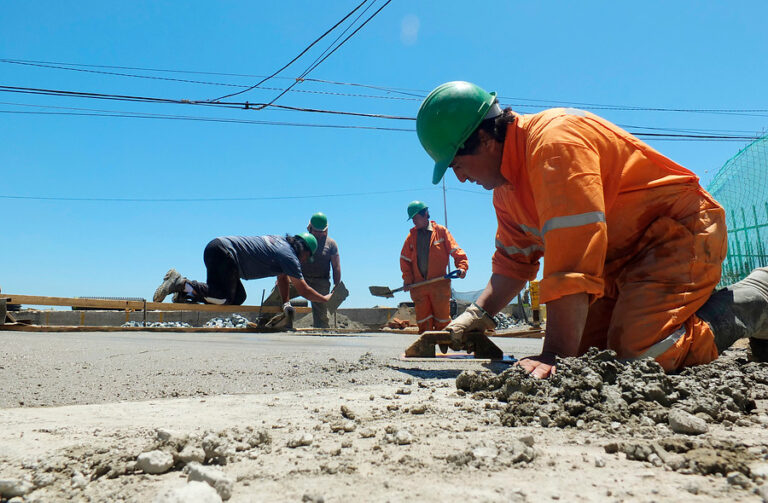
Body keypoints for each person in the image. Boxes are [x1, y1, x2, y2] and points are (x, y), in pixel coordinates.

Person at [415, 80, 768, 378]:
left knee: (640, 353)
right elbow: (513, 264)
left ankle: (756, 299)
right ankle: (670, 309)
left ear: (484, 140)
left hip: (676, 233)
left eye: (457, 164)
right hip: (617, 262)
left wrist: (553, 354)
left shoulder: (554, 144)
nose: (460, 176)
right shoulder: (507, 192)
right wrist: (477, 316)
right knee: (592, 357)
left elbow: (574, 257)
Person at [153, 233, 331, 321]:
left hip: (218, 249)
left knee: (238, 297)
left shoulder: (281, 244)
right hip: (224, 254)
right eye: (307, 257)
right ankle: (181, 283)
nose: (305, 260)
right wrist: (324, 299)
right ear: (304, 250)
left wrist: (286, 303)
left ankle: (187, 294)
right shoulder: (290, 256)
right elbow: (303, 289)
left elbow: (282, 278)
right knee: (224, 298)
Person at [400, 200, 468, 333]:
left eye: (416, 218)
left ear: (425, 214)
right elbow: (404, 260)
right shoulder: (411, 237)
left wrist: (462, 267)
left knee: (442, 322)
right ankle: (426, 350)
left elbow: (456, 251)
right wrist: (408, 280)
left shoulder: (441, 232)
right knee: (423, 323)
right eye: (412, 218)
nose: (414, 221)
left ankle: (444, 348)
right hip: (419, 287)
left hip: (439, 285)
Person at [264, 212, 341, 328]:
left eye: (323, 231)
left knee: (322, 315)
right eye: (317, 231)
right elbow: (290, 259)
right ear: (309, 228)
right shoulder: (302, 241)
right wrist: (283, 278)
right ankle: (262, 321)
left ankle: (322, 331)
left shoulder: (331, 244)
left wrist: (337, 285)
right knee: (278, 293)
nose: (320, 234)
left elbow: (336, 266)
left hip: (321, 281)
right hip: (299, 278)